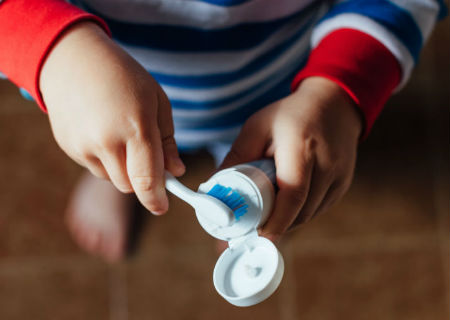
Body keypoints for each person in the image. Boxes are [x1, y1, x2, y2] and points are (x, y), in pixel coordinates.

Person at [0, 0, 446, 262]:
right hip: (99, 90)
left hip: (280, 91)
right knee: (128, 152)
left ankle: (256, 199)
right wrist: (53, 50)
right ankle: (120, 179)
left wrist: (337, 91)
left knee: (275, 172)